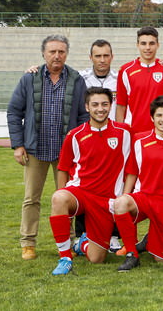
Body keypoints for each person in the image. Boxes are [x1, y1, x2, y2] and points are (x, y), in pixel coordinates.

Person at [7, 34, 89, 260]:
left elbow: (83, 115)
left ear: (67, 54)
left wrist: (79, 145)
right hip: (35, 150)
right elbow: (14, 111)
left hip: (65, 153)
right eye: (52, 51)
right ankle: (28, 242)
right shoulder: (29, 79)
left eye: (61, 51)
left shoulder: (76, 79)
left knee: (66, 198)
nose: (57, 55)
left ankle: (69, 241)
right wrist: (18, 145)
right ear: (43, 53)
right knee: (31, 198)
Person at [48, 87, 132, 275]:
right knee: (59, 198)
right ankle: (65, 257)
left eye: (104, 104)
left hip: (105, 201)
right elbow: (63, 168)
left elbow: (149, 140)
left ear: (111, 106)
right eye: (95, 104)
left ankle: (83, 244)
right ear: (87, 107)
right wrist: (62, 199)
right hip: (81, 192)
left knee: (97, 259)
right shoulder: (75, 135)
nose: (100, 109)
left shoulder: (125, 132)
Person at [113, 95, 163, 271]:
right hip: (144, 197)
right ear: (152, 117)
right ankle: (132, 254)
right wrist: (126, 196)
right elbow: (132, 173)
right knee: (120, 204)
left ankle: (157, 240)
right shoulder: (140, 141)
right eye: (159, 115)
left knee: (160, 259)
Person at [116, 27, 163, 134]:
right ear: (137, 45)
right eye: (143, 43)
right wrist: (121, 131)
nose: (147, 48)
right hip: (133, 132)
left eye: (151, 43)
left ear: (158, 45)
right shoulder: (126, 70)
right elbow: (121, 105)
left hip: (161, 132)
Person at [79, 39, 119, 120]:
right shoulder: (81, 78)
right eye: (98, 56)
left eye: (106, 56)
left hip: (113, 129)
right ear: (90, 57)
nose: (102, 60)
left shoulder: (120, 79)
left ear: (112, 57)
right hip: (89, 129)